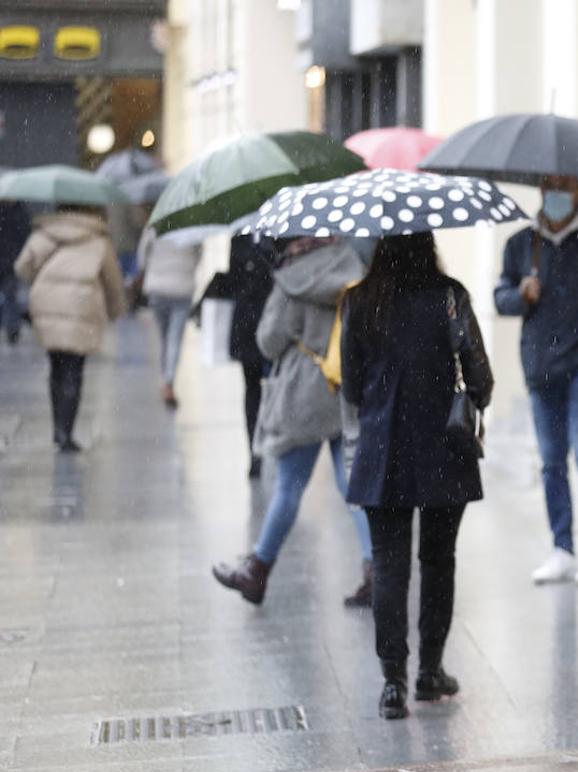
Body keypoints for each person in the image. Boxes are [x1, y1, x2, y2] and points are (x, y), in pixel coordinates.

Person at [340, 233, 493, 720]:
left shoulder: (360, 300)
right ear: (428, 245)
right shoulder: (450, 296)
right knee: (438, 560)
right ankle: (430, 671)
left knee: (389, 566)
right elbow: (481, 380)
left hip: (383, 450)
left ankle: (392, 682)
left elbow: (350, 381)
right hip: (444, 448)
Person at [211, 238, 373, 607]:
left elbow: (268, 341)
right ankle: (375, 570)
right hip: (344, 387)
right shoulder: (354, 270)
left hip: (303, 394)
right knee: (353, 488)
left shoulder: (291, 280)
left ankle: (256, 570)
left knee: (288, 487)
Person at [495, 175, 578, 586]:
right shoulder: (523, 243)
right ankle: (561, 546)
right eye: (547, 184)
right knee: (552, 460)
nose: (552, 193)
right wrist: (522, 294)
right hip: (540, 367)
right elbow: (500, 297)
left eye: (563, 185)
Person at [13, 205, 128, 452]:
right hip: (82, 306)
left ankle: (58, 428)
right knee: (74, 369)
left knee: (56, 365)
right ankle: (66, 433)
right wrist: (116, 310)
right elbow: (113, 281)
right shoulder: (98, 239)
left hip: (47, 302)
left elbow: (22, 267)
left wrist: (41, 278)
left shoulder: (45, 234)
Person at [220, 234, 277, 479]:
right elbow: (233, 278)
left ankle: (273, 443)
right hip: (247, 323)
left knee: (276, 386)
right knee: (252, 387)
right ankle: (254, 449)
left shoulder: (278, 237)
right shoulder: (239, 239)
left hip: (275, 322)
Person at [136, 225, 202, 408]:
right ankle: (168, 380)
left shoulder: (154, 227)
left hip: (157, 287)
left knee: (165, 336)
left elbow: (142, 257)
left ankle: (166, 378)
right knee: (174, 338)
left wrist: (152, 268)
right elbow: (198, 256)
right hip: (182, 287)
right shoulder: (193, 229)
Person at [0, 200, 32, 344]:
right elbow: (25, 236)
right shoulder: (21, 212)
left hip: (11, 262)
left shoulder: (20, 213)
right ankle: (12, 328)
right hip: (12, 260)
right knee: (10, 296)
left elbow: (25, 237)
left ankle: (12, 328)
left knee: (10, 296)